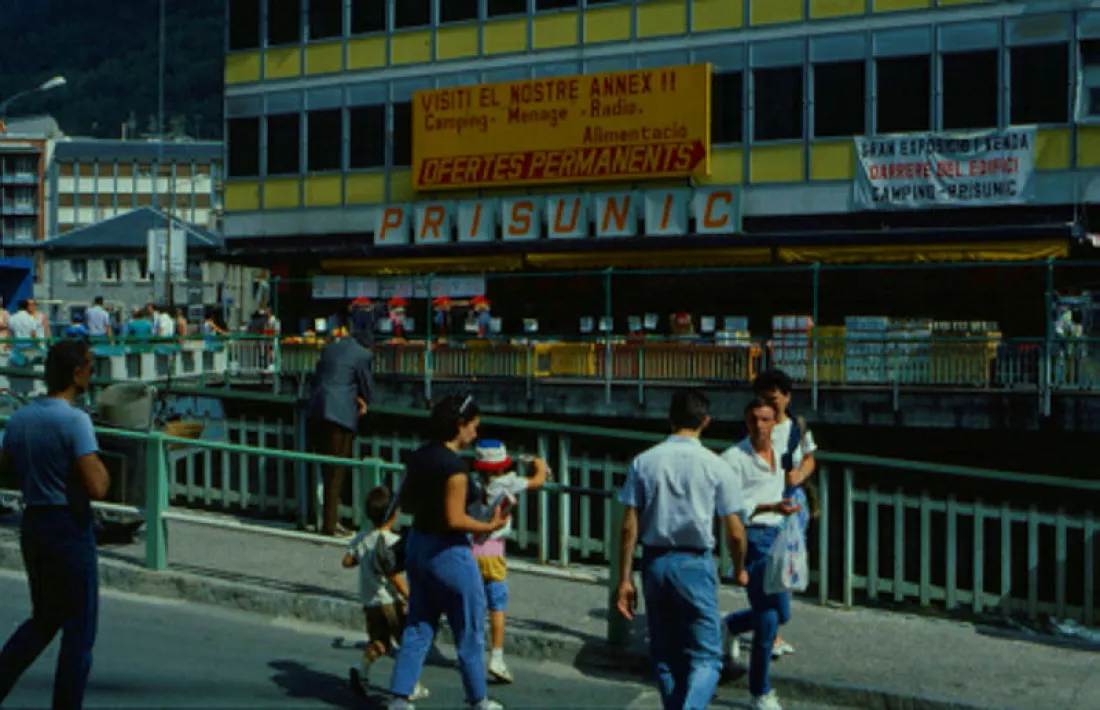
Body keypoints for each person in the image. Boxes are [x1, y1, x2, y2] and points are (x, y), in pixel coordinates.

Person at [614, 388, 754, 710]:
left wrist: (625, 578)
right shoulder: (716, 466)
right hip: (693, 561)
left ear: (669, 418)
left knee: (665, 656)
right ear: (706, 422)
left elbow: (628, 526)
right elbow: (735, 531)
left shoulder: (643, 462)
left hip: (654, 561)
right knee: (707, 656)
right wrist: (740, 566)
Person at [0, 339, 111, 710]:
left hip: (34, 522)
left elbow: (6, 465)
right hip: (68, 524)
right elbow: (97, 485)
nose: (92, 376)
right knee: (79, 632)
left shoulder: (20, 419)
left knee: (44, 619)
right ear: (76, 372)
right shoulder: (75, 420)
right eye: (90, 368)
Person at [387, 394, 510, 710]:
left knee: (418, 624)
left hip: (418, 544)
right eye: (474, 426)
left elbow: (407, 502)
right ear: (460, 425)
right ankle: (478, 699)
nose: (476, 433)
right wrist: (491, 526)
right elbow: (455, 519)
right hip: (449, 552)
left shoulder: (419, 456)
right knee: (468, 630)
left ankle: (400, 697)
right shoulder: (454, 468)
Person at [720, 398, 805, 710]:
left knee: (783, 613)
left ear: (774, 422)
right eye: (754, 420)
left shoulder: (781, 448)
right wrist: (770, 507)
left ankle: (730, 625)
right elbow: (732, 506)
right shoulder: (733, 457)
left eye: (765, 420)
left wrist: (798, 483)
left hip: (780, 534)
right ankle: (760, 692)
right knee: (769, 620)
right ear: (746, 421)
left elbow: (807, 459)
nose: (759, 426)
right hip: (754, 537)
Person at [747, 369, 819, 659]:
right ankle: (769, 631)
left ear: (787, 399)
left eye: (774, 400)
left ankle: (772, 630)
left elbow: (810, 458)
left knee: (786, 568)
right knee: (765, 571)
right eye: (763, 399)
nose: (769, 407)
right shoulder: (755, 427)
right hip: (766, 507)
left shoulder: (797, 427)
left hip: (791, 505)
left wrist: (800, 473)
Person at [468, 440, 549, 684]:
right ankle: (497, 657)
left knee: (474, 606)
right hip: (494, 553)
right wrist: (539, 463)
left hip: (471, 549)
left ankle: (472, 652)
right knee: (497, 606)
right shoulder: (508, 483)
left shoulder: (471, 484)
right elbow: (539, 480)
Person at [344, 486, 429, 702]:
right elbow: (393, 575)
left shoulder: (362, 538)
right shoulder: (392, 542)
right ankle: (411, 685)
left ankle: (361, 669)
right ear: (393, 514)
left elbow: (346, 561)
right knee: (408, 642)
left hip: (370, 601)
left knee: (380, 642)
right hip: (389, 601)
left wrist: (362, 560)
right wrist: (408, 595)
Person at [305, 327, 375, 537]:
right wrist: (365, 401)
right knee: (337, 471)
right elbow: (366, 385)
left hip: (317, 408)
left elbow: (318, 378)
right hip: (340, 414)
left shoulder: (329, 349)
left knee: (325, 468)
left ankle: (325, 517)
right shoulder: (363, 355)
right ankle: (330, 524)